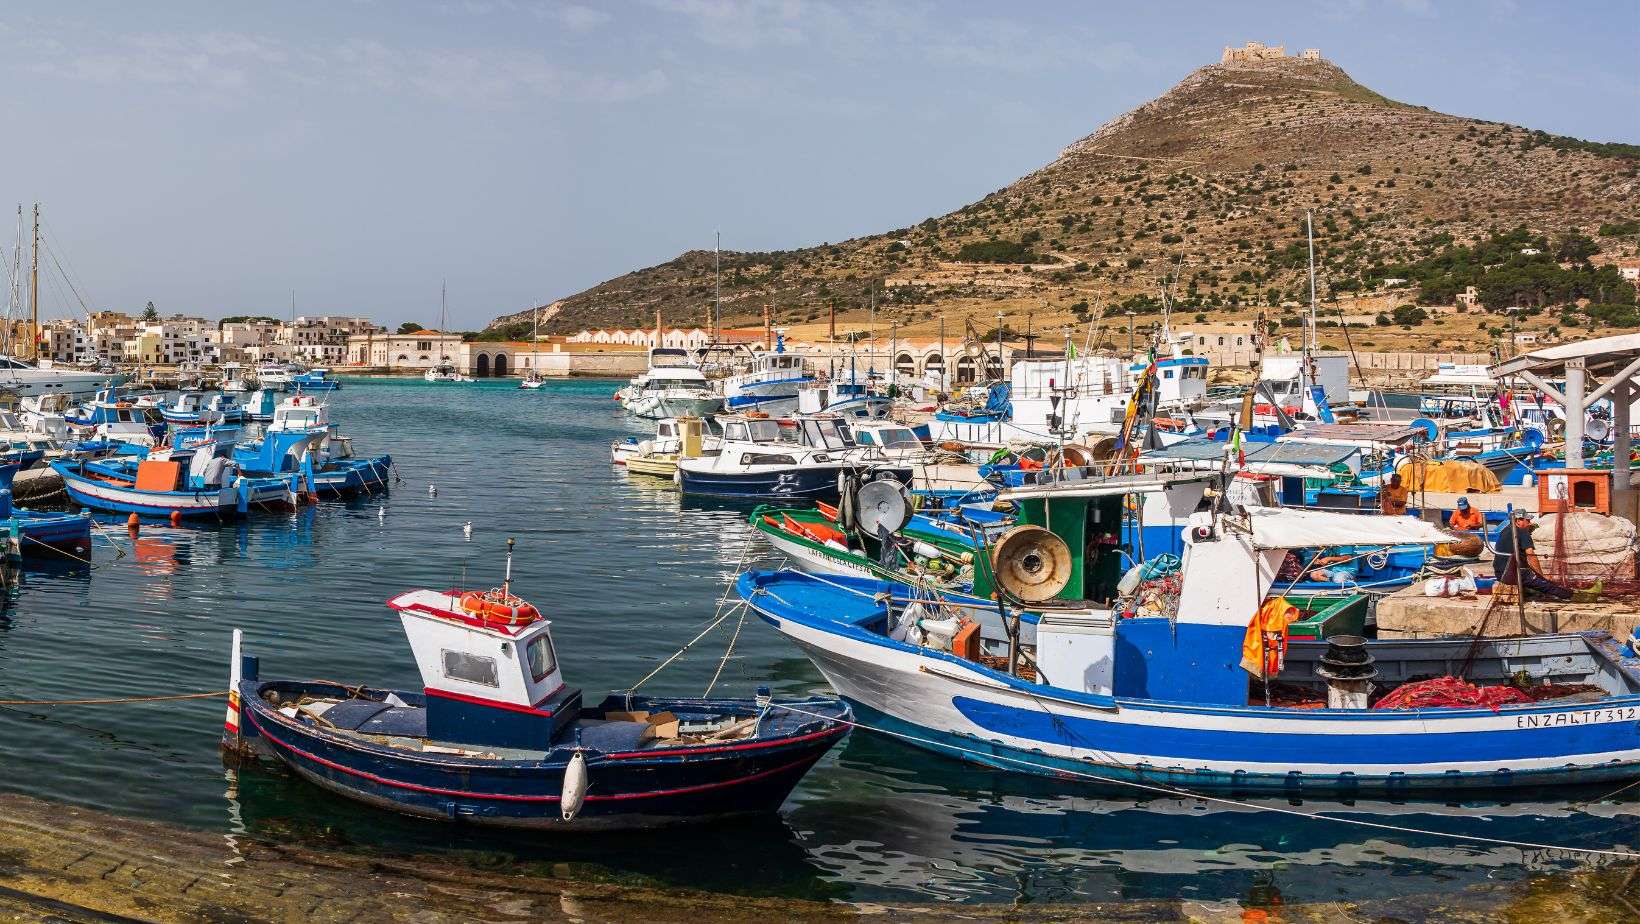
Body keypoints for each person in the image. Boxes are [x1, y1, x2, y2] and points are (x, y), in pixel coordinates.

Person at [1492, 511, 1581, 601]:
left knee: (1535, 583)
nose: (1529, 523)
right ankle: (1571, 596)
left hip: (1499, 574)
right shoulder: (1522, 532)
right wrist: (1541, 576)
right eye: (1527, 521)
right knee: (1547, 585)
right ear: (1518, 521)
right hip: (1514, 574)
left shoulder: (1504, 531)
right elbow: (1531, 555)